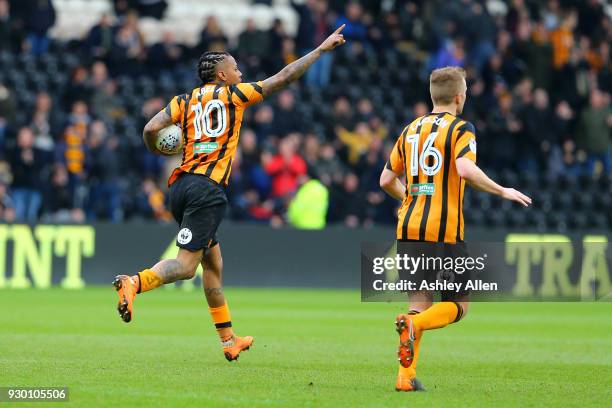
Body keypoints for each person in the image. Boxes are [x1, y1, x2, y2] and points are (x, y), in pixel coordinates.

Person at [112, 25, 347, 362]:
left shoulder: (184, 100)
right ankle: (135, 282)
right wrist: (321, 50)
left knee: (214, 264)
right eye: (236, 69)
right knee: (185, 267)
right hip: (207, 190)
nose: (240, 73)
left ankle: (228, 340)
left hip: (181, 186)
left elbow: (151, 128)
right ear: (222, 75)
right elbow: (283, 77)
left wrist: (157, 150)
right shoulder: (234, 95)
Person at [379, 66, 532, 391]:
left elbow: (386, 179)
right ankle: (413, 324)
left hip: (408, 228)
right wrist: (503, 190)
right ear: (460, 96)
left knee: (419, 299)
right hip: (443, 231)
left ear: (433, 95)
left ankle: (405, 378)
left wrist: (412, 197)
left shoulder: (410, 129)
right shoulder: (462, 128)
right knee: (459, 305)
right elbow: (464, 168)